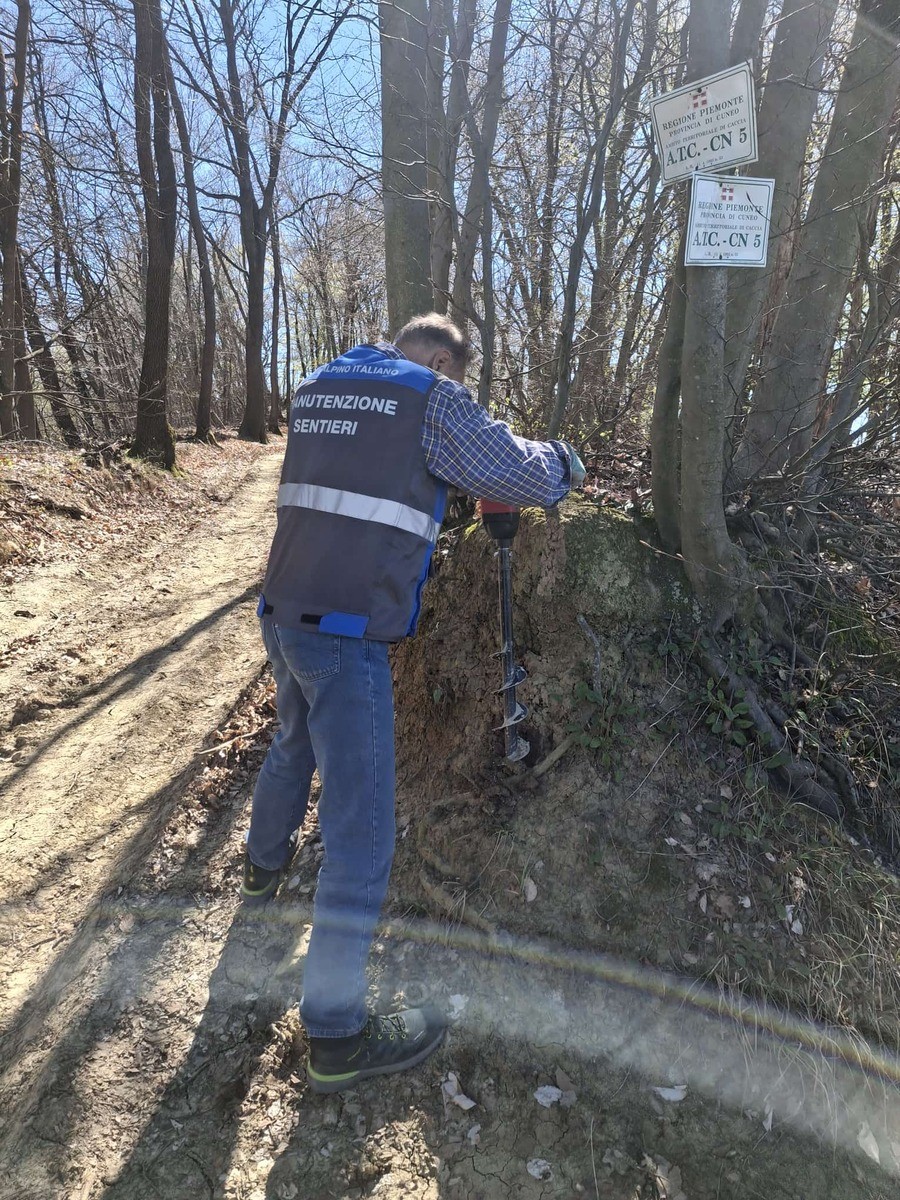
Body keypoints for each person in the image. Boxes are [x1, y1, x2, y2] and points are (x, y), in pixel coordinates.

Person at [243, 312, 586, 1094]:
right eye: (459, 375)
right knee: (361, 832)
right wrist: (568, 461)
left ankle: (261, 875)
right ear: (439, 358)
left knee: (291, 745)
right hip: (346, 632)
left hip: (283, 611)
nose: (458, 388)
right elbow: (513, 472)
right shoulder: (429, 398)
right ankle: (337, 1037)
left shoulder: (320, 384)